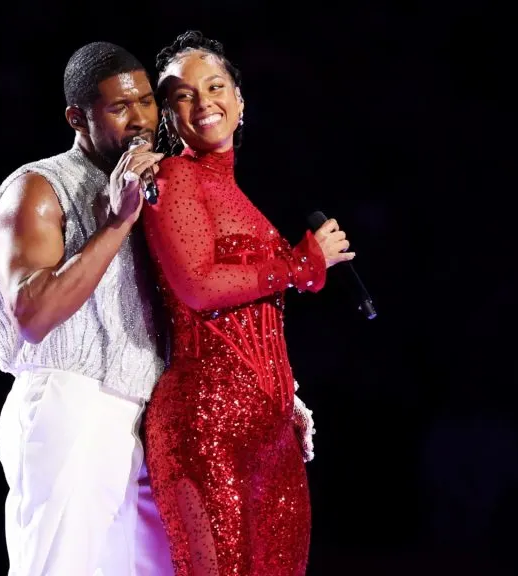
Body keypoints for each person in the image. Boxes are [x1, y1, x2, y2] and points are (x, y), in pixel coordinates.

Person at [140, 30, 354, 575]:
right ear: (168, 115)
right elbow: (198, 287)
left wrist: (286, 401)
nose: (203, 101)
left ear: (239, 100)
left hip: (272, 433)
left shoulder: (238, 195)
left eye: (214, 86)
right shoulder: (173, 177)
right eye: (182, 95)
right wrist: (300, 266)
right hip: (205, 427)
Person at [0, 41, 174, 576]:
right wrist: (116, 223)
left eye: (145, 103)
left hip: (143, 411)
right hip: (73, 400)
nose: (139, 120)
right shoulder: (39, 188)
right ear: (77, 117)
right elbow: (34, 314)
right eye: (119, 108)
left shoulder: (153, 184)